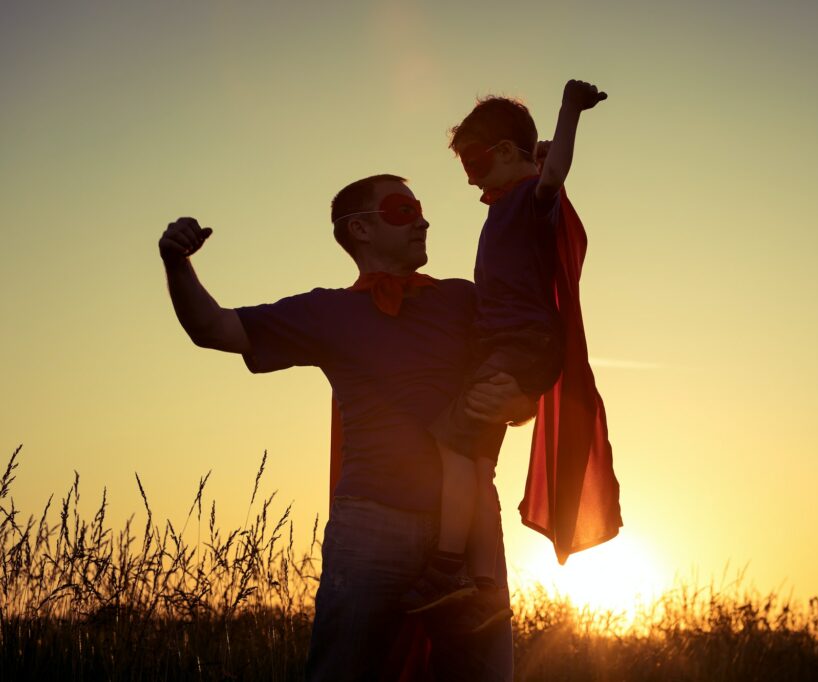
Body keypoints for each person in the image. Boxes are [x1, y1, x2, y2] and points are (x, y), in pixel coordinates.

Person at [158, 174, 534, 681]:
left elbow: (523, 371)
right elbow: (213, 328)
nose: (423, 220)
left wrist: (519, 400)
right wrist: (176, 264)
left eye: (421, 209)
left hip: (469, 529)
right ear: (358, 229)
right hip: (370, 529)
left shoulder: (466, 300)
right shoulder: (326, 311)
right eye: (403, 210)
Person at [402, 80, 613, 630]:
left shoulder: (529, 199)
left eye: (473, 162)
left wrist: (568, 113)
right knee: (473, 457)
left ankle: (449, 568)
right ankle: (482, 582)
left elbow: (553, 175)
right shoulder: (505, 205)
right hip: (506, 349)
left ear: (503, 152)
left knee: (451, 439)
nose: (470, 177)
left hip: (522, 347)